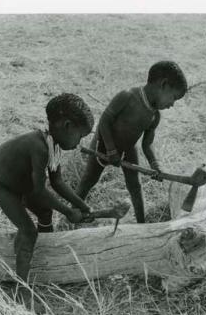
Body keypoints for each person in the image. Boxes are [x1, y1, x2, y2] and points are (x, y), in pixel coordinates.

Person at [0, 93, 94, 306]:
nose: (80, 143)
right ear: (67, 126)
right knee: (28, 230)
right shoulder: (39, 147)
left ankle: (44, 255)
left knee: (44, 212)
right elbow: (40, 192)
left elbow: (58, 182)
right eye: (80, 136)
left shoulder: (53, 146)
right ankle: (20, 287)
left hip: (19, 185)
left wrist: (82, 205)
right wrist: (68, 211)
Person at [76, 61, 188, 223]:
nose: (172, 105)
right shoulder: (127, 96)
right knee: (89, 180)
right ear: (163, 84)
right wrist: (111, 150)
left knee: (135, 186)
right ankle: (72, 213)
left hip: (128, 148)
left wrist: (155, 165)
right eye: (173, 98)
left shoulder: (154, 116)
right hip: (103, 143)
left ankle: (141, 224)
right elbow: (105, 122)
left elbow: (147, 144)